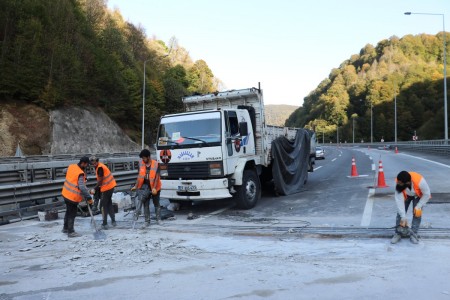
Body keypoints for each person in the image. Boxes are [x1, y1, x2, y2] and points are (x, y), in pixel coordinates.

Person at [391, 171, 431, 244]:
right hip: (406, 195)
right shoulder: (398, 181)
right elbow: (399, 200)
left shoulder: (420, 181)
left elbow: (427, 194)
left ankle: (414, 233)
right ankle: (398, 233)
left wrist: (418, 206)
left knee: (417, 213)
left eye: (400, 183)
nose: (398, 184)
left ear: (407, 183)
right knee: (400, 213)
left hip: (418, 195)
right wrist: (403, 216)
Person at [61, 156, 92, 237]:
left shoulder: (72, 166)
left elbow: (64, 171)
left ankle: (65, 228)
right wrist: (88, 197)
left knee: (68, 211)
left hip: (65, 194)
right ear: (83, 163)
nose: (87, 166)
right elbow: (81, 187)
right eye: (87, 165)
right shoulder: (80, 174)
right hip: (72, 197)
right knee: (72, 213)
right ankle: (71, 232)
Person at [131, 149, 162, 226]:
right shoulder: (141, 164)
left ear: (148, 157)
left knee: (156, 203)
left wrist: (154, 188)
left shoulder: (156, 164)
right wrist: (136, 186)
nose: (143, 160)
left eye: (144, 158)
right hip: (145, 187)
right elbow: (139, 176)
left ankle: (159, 219)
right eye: (142, 158)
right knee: (145, 204)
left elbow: (157, 178)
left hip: (155, 187)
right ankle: (147, 221)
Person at [89, 156, 117, 229]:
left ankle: (105, 223)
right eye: (92, 163)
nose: (93, 164)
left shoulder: (100, 168)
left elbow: (100, 181)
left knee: (103, 206)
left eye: (94, 162)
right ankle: (113, 221)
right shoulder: (100, 166)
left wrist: (94, 188)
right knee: (109, 203)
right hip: (111, 186)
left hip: (107, 187)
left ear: (97, 161)